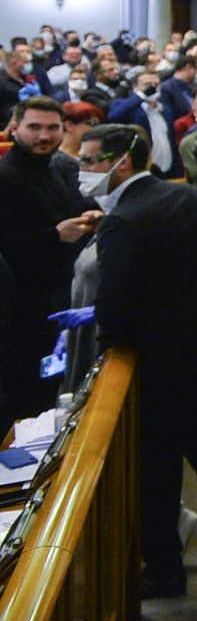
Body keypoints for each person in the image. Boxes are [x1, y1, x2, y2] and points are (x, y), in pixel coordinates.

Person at [82, 124, 197, 598]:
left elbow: (116, 308)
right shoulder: (185, 197)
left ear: (120, 161)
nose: (82, 170)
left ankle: (164, 568)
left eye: (89, 161)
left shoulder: (122, 220)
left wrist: (108, 350)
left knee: (158, 466)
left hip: (161, 361)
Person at [0, 97, 93, 424]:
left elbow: (73, 209)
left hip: (61, 296)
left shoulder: (58, 168)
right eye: (34, 127)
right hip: (22, 309)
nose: (44, 135)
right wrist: (54, 235)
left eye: (52, 128)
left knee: (56, 385)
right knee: (28, 394)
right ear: (15, 129)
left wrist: (90, 217)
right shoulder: (5, 176)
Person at [108, 69, 182, 178]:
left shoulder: (165, 110)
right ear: (135, 88)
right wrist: (142, 95)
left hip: (168, 168)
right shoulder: (129, 106)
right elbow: (114, 116)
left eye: (156, 85)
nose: (152, 88)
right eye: (147, 85)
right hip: (143, 169)